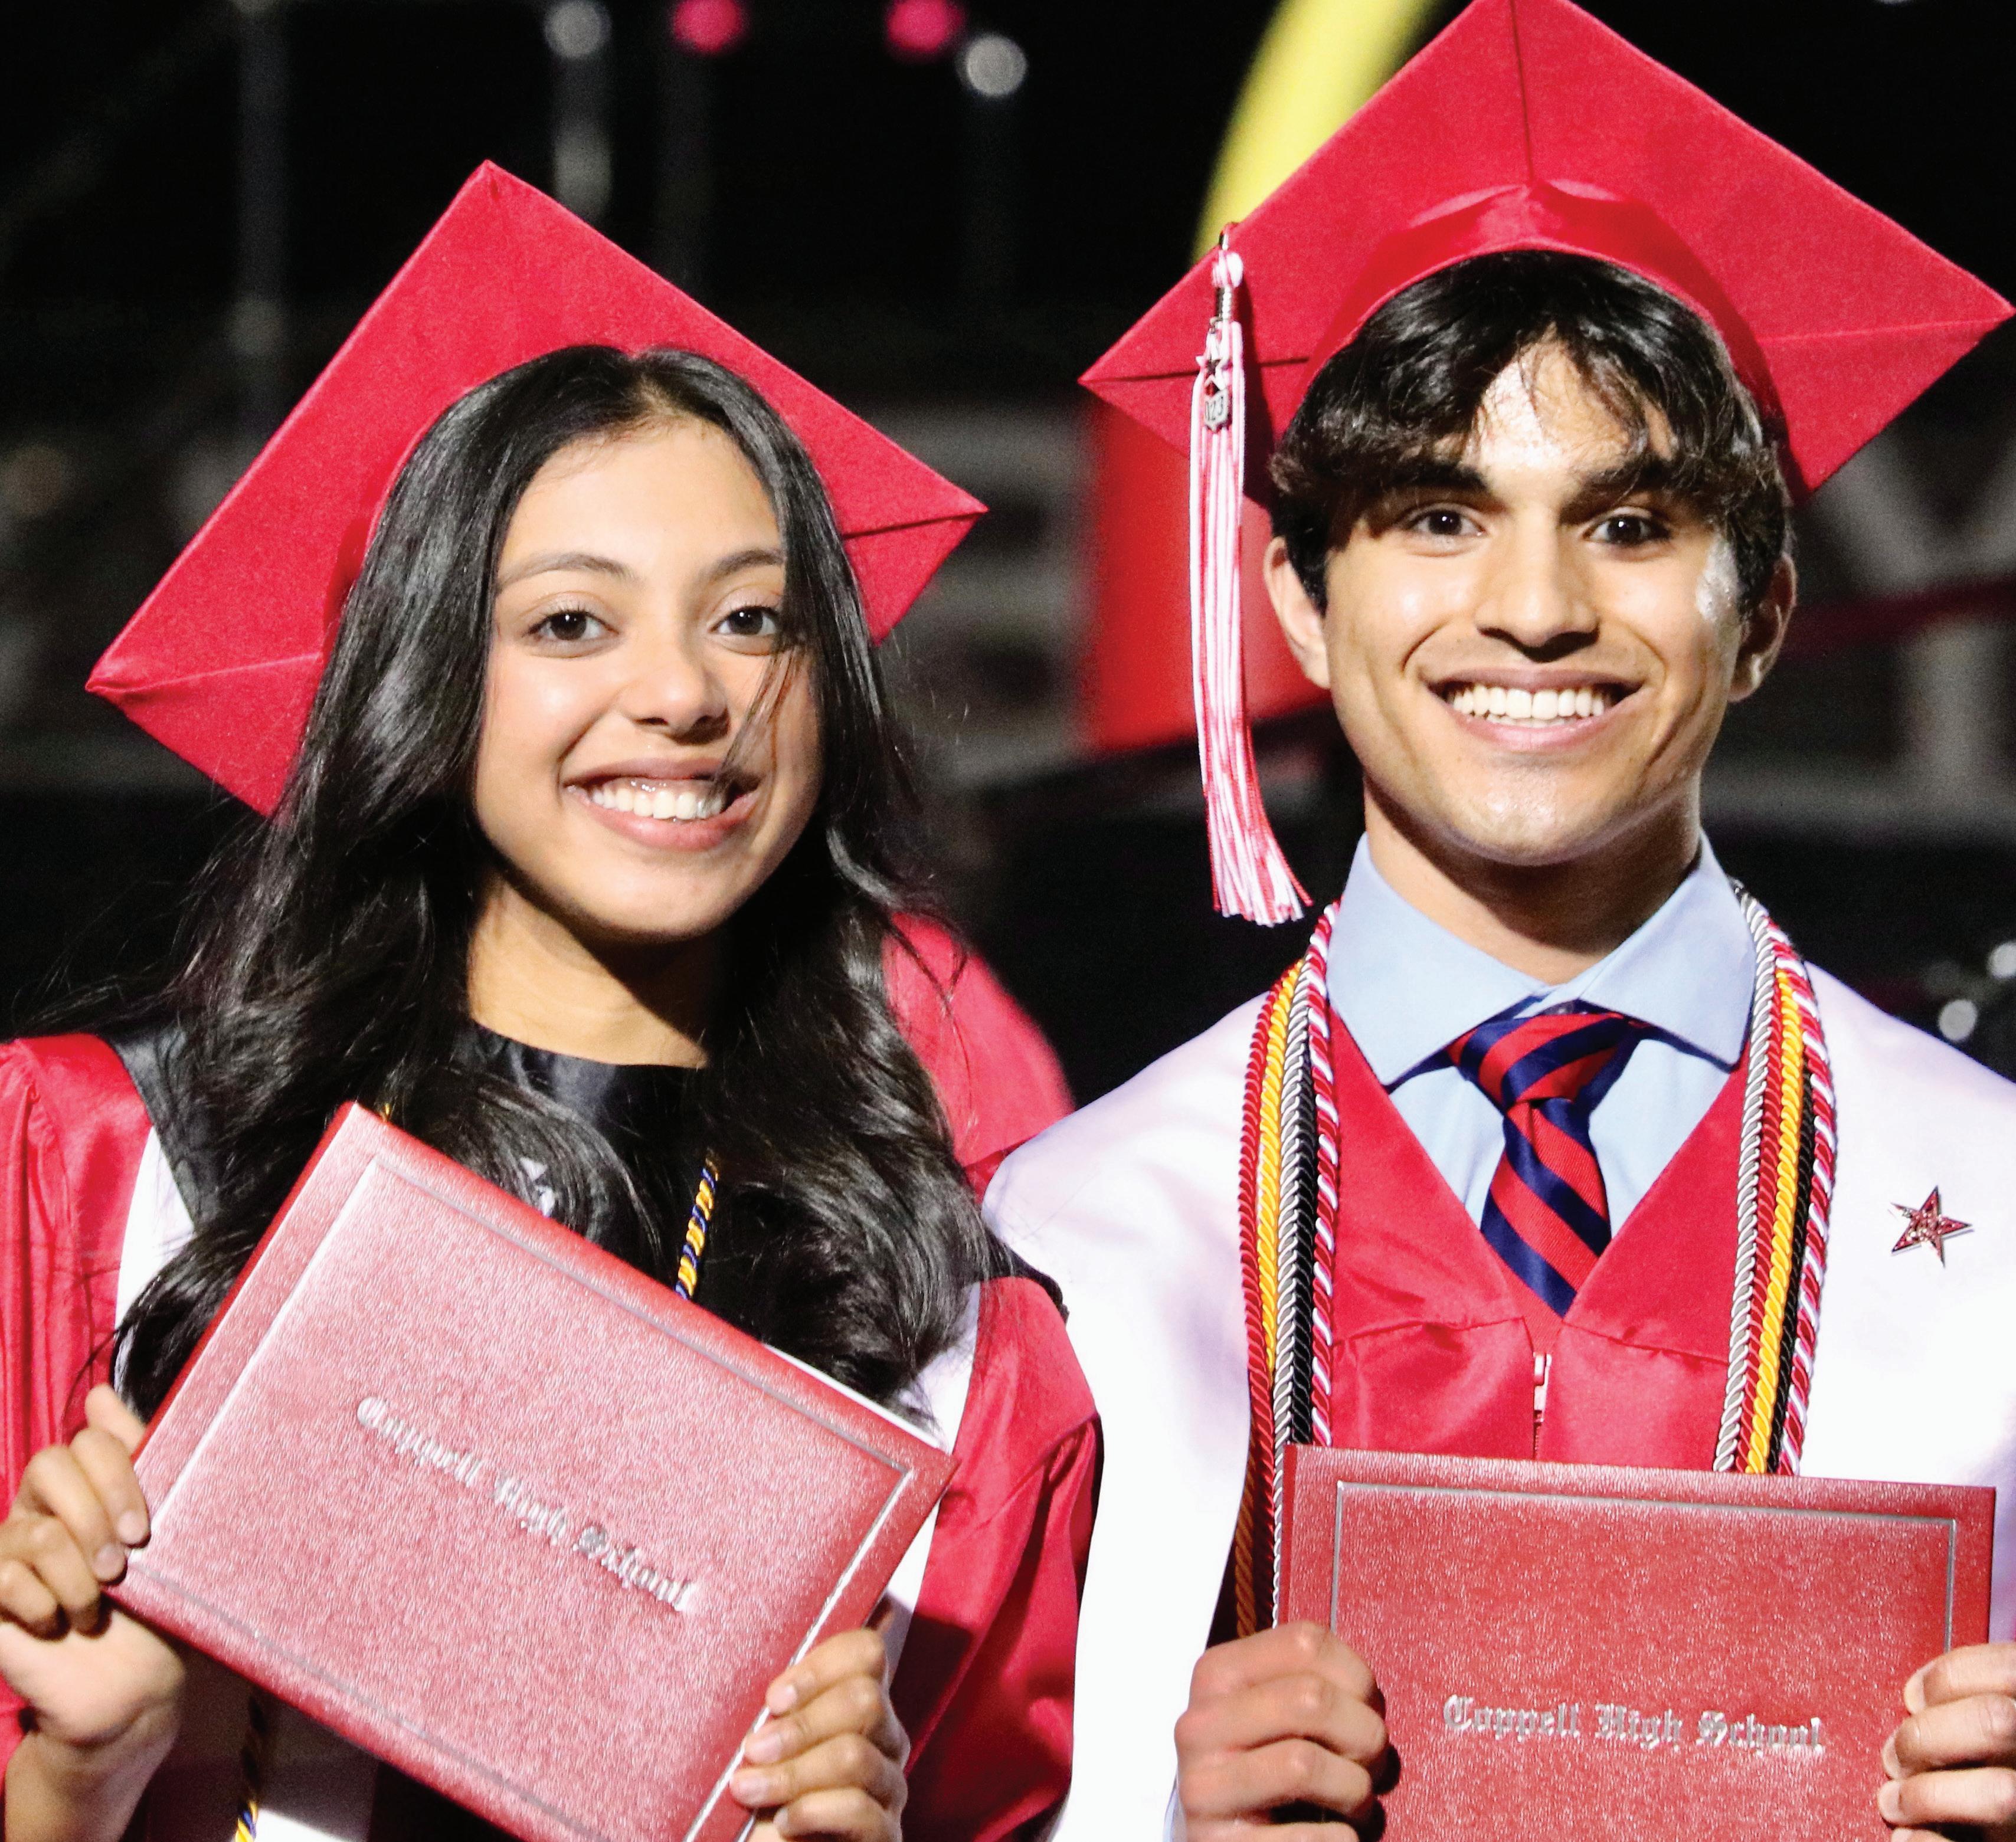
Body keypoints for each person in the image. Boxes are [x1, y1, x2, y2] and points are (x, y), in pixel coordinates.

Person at [984, 1, 2016, 1836]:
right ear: (1300, 604)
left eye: (1628, 525)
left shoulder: (1994, 1209)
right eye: (1440, 517)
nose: (1534, 607)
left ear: (1767, 615)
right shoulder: (1085, 1241)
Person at [0, 166, 1091, 1842]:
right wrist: (83, 1771)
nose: (685, 693)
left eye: (753, 619)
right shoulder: (102, 1176)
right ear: (425, 681)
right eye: (573, 621)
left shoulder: (957, 1346)